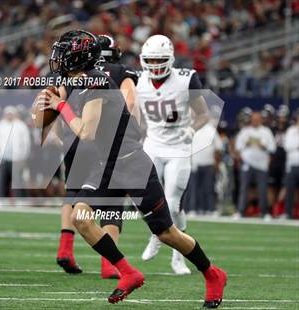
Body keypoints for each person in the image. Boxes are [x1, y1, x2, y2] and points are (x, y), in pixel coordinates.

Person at [39, 29, 226, 307]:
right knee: (81, 218)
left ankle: (212, 274)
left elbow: (86, 132)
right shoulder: (79, 81)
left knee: (166, 233)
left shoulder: (97, 83)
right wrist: (49, 107)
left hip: (131, 163)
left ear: (77, 58)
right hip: (105, 165)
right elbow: (48, 121)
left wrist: (62, 105)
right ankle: (129, 273)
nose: (57, 58)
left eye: (63, 53)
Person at [55, 34, 140, 279]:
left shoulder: (70, 72)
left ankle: (66, 249)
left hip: (75, 136)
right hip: (104, 141)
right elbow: (130, 101)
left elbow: (53, 102)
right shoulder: (118, 71)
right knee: (112, 199)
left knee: (73, 192)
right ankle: (108, 263)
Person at [137, 35, 209, 275]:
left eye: (160, 59)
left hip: (178, 148)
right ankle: (157, 234)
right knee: (144, 200)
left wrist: (192, 128)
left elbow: (203, 114)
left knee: (173, 205)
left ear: (170, 59)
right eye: (151, 59)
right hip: (152, 146)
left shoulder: (185, 79)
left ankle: (177, 257)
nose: (155, 64)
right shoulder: (138, 81)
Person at [235, 112, 276, 219]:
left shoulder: (266, 131)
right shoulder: (245, 131)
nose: (255, 121)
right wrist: (246, 144)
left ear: (261, 120)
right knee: (244, 188)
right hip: (247, 164)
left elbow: (273, 148)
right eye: (254, 119)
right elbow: (238, 147)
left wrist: (263, 146)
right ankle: (240, 211)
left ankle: (264, 212)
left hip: (262, 165)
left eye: (258, 119)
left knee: (262, 189)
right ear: (251, 120)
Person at [0, 106, 31, 204]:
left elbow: (26, 142)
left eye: (11, 114)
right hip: (2, 158)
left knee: (18, 180)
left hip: (17, 158)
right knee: (1, 179)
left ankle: (20, 200)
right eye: (8, 114)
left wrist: (24, 156)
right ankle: (0, 200)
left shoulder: (21, 125)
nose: (9, 116)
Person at [283, 110, 299, 219]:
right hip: (292, 165)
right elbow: (287, 146)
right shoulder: (290, 130)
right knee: (289, 190)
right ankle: (288, 213)